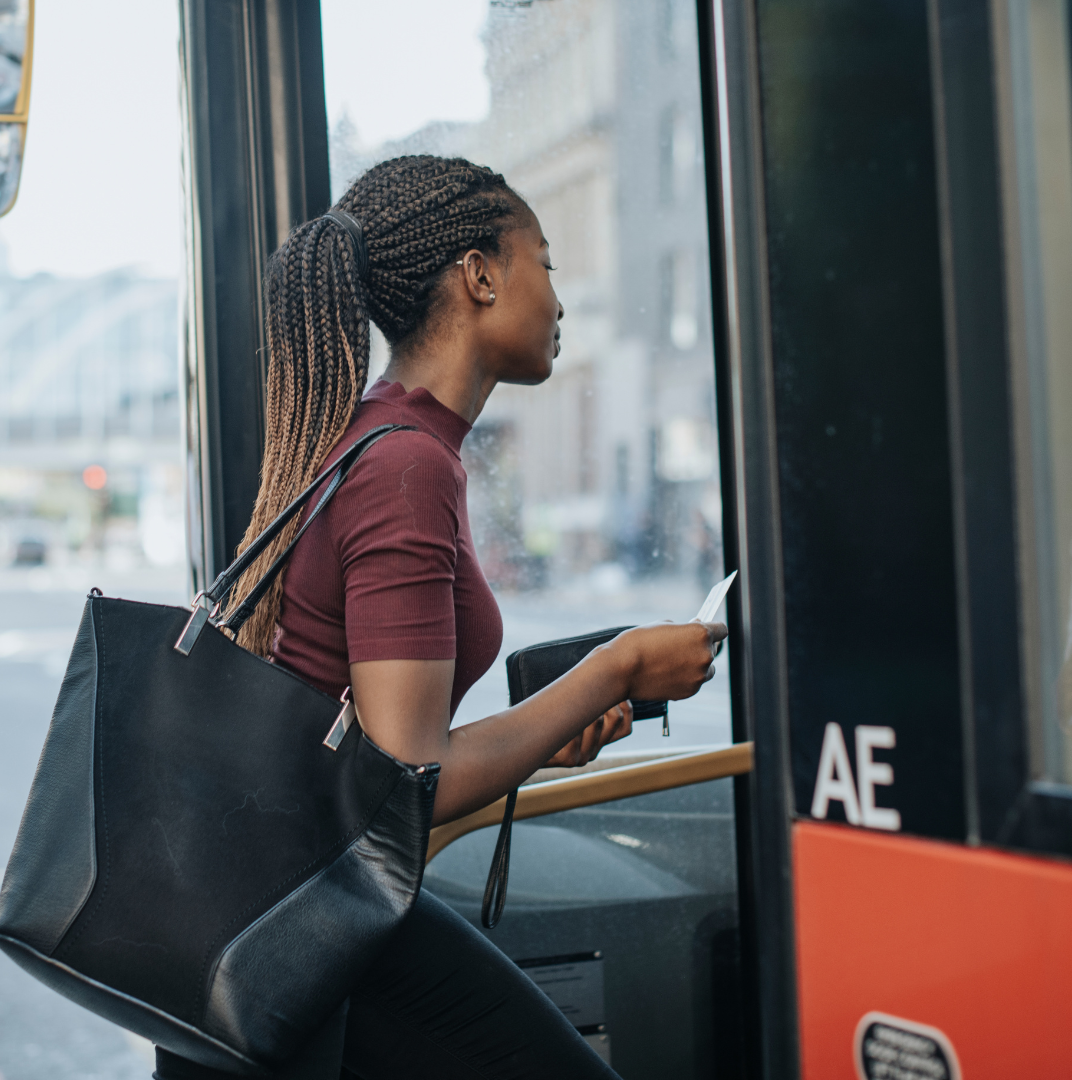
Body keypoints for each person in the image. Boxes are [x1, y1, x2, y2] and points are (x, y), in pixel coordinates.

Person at [154, 155, 722, 1079]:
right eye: (546, 261)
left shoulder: (382, 438)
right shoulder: (406, 466)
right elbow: (402, 780)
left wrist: (556, 726)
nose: (562, 299)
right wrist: (613, 669)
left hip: (280, 908)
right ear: (481, 275)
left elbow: (380, 745)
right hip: (308, 924)